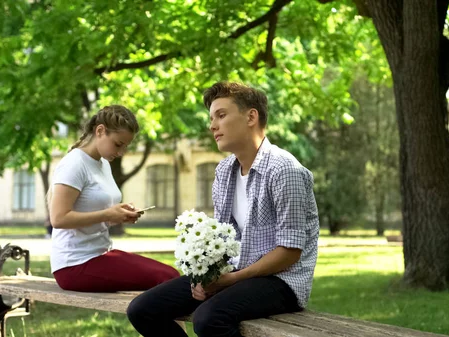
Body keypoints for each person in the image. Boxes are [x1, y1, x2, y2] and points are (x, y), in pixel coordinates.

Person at [127, 82, 320, 337]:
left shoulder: (285, 170)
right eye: (211, 118)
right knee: (142, 309)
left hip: (281, 281)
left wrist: (229, 280)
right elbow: (223, 239)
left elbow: (289, 253)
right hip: (235, 273)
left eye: (221, 115)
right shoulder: (224, 171)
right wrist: (205, 277)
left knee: (209, 318)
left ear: (251, 116)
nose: (212, 126)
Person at [48, 105, 179, 292]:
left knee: (171, 275)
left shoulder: (103, 164)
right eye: (118, 144)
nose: (121, 152)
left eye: (126, 146)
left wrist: (118, 214)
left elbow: (93, 213)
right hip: (74, 265)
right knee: (168, 278)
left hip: (100, 255)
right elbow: (58, 219)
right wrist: (108, 213)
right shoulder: (74, 164)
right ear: (100, 131)